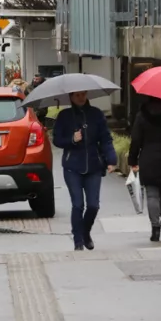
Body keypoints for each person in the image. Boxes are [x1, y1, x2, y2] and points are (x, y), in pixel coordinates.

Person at [53, 91, 118, 251]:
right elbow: (57, 140)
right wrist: (72, 139)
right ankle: (78, 241)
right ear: (71, 97)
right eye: (77, 95)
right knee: (77, 205)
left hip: (94, 166)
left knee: (93, 205)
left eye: (83, 94)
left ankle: (85, 231)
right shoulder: (64, 116)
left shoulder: (96, 114)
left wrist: (111, 159)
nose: (81, 98)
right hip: (72, 167)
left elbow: (106, 139)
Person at [127, 97, 161, 242]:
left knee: (152, 195)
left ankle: (155, 229)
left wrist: (132, 159)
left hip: (149, 159)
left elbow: (136, 139)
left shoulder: (142, 115)